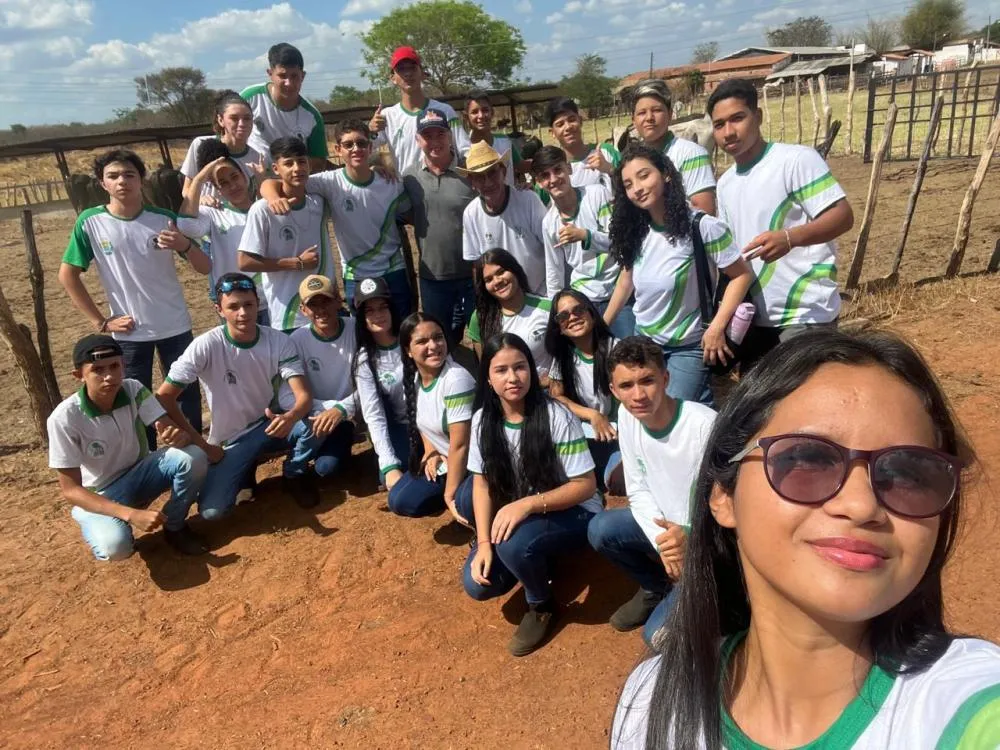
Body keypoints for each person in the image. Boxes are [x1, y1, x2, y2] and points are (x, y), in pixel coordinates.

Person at [611, 328, 1000, 750]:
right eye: (807, 457)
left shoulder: (970, 708)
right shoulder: (648, 703)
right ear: (723, 495)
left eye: (908, 472)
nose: (861, 506)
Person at [459, 333, 602, 656]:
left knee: (513, 542)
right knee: (478, 585)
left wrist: (526, 505)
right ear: (488, 378)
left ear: (531, 370)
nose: (513, 378)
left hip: (576, 512)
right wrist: (483, 544)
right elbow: (482, 484)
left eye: (520, 367)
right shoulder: (483, 420)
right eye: (501, 370)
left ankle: (541, 603)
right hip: (531, 511)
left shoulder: (555, 415)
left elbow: (586, 485)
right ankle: (535, 556)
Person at [59, 149, 207, 441]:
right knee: (134, 399)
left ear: (142, 180)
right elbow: (67, 275)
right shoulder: (90, 222)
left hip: (174, 324)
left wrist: (184, 245)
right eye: (112, 176)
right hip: (129, 332)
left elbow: (204, 267)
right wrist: (101, 322)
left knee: (186, 393)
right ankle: (147, 459)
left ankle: (196, 448)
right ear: (103, 184)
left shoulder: (163, 218)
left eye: (129, 174)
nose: (122, 181)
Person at [708, 78, 855, 372]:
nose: (728, 132)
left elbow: (842, 215)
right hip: (756, 319)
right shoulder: (725, 184)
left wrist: (790, 237)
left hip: (805, 314)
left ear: (758, 117)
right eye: (719, 124)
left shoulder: (795, 160)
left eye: (737, 118)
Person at [588, 336, 716, 647]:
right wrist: (664, 546)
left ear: (666, 378)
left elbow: (730, 505)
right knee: (601, 529)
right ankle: (656, 585)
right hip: (665, 531)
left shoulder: (704, 426)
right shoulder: (628, 417)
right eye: (627, 386)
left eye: (647, 381)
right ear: (613, 390)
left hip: (707, 539)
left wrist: (689, 537)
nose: (638, 395)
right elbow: (638, 489)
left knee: (655, 638)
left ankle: (709, 601)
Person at [157, 273, 321, 516]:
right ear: (219, 310)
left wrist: (291, 416)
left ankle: (294, 474)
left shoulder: (278, 340)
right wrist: (200, 444)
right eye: (233, 307)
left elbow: (304, 395)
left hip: (269, 425)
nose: (243, 313)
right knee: (212, 513)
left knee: (317, 424)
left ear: (258, 304)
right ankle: (242, 469)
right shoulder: (206, 345)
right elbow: (164, 397)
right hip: (230, 441)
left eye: (248, 304)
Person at [605, 145, 753, 406]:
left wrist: (717, 326)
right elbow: (626, 280)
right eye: (628, 184)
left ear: (666, 174)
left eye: (644, 175)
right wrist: (602, 324)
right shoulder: (637, 231)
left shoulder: (702, 227)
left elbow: (741, 275)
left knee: (671, 410)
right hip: (644, 340)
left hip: (688, 346)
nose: (637, 188)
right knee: (647, 409)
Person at [47, 334, 209, 561]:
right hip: (102, 493)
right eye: (97, 370)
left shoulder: (132, 389)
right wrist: (130, 514)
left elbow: (169, 429)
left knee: (193, 457)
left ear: (123, 364)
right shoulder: (64, 418)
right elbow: (71, 490)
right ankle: (108, 523)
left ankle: (174, 525)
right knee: (115, 548)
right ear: (79, 375)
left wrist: (176, 436)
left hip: (140, 474)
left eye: (114, 366)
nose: (109, 377)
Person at [261, 119, 412, 317]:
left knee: (401, 330)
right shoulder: (329, 183)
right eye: (349, 144)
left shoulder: (391, 181)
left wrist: (383, 165)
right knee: (363, 336)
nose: (356, 149)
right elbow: (272, 182)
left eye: (361, 143)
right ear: (338, 149)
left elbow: (410, 215)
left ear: (370, 146)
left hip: (393, 270)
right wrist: (273, 198)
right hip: (355, 274)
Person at [532, 145, 633, 339]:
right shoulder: (549, 223)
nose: (553, 179)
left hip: (617, 291)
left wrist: (586, 236)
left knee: (629, 352)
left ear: (569, 169)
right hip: (583, 299)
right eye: (545, 175)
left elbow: (619, 241)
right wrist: (557, 312)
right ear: (539, 182)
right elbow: (554, 271)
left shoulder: (596, 194)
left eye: (558, 170)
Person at [238, 136, 334, 332]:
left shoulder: (319, 201)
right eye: (288, 164)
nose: (297, 168)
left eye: (301, 161)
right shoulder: (262, 209)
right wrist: (296, 263)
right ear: (275, 169)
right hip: (288, 316)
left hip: (325, 310)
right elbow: (244, 261)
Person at [387, 312, 475, 520]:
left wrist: (449, 493)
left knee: (463, 502)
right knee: (399, 499)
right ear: (408, 351)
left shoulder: (456, 379)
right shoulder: (415, 380)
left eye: (438, 337)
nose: (434, 346)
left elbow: (461, 444)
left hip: (476, 465)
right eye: (422, 341)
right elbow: (423, 422)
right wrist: (431, 452)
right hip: (450, 460)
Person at [402, 108, 478, 346]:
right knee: (441, 340)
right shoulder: (409, 178)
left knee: (481, 336)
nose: (435, 141)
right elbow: (405, 215)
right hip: (433, 277)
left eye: (440, 134)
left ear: (450, 136)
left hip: (473, 275)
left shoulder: (470, 171)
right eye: (428, 136)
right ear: (417, 140)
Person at [177, 139, 269, 324]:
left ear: (244, 175)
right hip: (234, 304)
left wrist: (262, 179)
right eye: (224, 183)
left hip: (270, 300)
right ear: (217, 187)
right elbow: (186, 225)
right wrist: (199, 178)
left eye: (235, 177)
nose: (233, 186)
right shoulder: (213, 214)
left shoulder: (264, 209)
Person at [279, 275, 358, 482]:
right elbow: (285, 397)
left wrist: (341, 409)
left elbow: (374, 384)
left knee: (326, 468)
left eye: (326, 301)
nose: (321, 310)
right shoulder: (296, 340)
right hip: (315, 417)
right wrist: (325, 409)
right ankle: (294, 470)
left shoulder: (356, 329)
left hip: (348, 415)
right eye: (313, 305)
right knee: (325, 465)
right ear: (303, 310)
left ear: (338, 300)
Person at [545, 290, 619, 490]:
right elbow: (556, 395)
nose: (573, 317)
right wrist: (592, 415)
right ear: (558, 327)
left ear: (592, 314)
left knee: (616, 478)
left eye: (579, 310)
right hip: (584, 435)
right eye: (563, 316)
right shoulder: (563, 357)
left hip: (617, 435)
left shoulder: (616, 350)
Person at [460, 141, 548, 295]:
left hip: (540, 293)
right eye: (479, 177)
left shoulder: (528, 200)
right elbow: (477, 265)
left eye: (492, 172)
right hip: (501, 299)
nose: (488, 182)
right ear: (471, 181)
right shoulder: (470, 213)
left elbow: (550, 245)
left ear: (503, 172)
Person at [369, 45, 470, 174]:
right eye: (401, 69)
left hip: (444, 186)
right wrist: (371, 132)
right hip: (407, 189)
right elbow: (366, 151)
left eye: (412, 68)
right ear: (393, 78)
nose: (408, 73)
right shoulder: (386, 116)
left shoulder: (445, 111)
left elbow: (464, 149)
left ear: (422, 73)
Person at [352, 277, 409, 490]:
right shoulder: (365, 360)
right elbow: (373, 414)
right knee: (395, 480)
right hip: (400, 428)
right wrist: (389, 465)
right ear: (361, 318)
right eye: (369, 311)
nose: (378, 315)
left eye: (383, 308)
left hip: (428, 423)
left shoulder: (412, 339)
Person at [629, 78, 716, 215]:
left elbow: (705, 212)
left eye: (657, 110)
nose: (649, 117)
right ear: (633, 120)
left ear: (670, 115)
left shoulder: (691, 153)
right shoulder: (633, 162)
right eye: (641, 113)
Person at [240, 43, 329, 173]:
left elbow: (319, 162)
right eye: (282, 76)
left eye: (294, 76)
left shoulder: (312, 117)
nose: (289, 83)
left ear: (303, 76)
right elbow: (225, 134)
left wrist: (288, 168)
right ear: (270, 74)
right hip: (249, 179)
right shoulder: (249, 98)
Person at [467, 250, 553, 379]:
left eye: (501, 272)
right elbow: (486, 368)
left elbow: (566, 355)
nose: (497, 281)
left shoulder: (548, 307)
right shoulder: (480, 317)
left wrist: (553, 381)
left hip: (546, 393)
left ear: (515, 270)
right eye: (488, 279)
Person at [180, 90, 266, 204]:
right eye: (234, 118)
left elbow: (258, 201)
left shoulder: (257, 158)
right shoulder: (201, 145)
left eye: (247, 118)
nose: (242, 124)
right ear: (221, 120)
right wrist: (200, 200)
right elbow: (186, 190)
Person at [544, 96, 620, 195]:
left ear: (580, 121)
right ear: (552, 132)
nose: (568, 127)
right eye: (560, 124)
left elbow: (631, 181)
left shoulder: (605, 151)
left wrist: (609, 169)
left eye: (572, 120)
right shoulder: (551, 171)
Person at [465, 90, 526, 186]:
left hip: (510, 200)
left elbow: (521, 166)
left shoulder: (505, 141)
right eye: (474, 112)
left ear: (492, 113)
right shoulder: (463, 148)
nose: (480, 116)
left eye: (485, 110)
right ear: (466, 117)